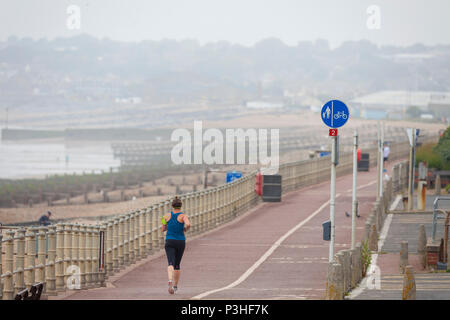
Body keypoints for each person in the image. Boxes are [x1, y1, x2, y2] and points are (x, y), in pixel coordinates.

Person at [161, 196, 191, 294]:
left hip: (169, 240)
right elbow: (188, 224)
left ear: (172, 206)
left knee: (170, 262)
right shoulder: (183, 216)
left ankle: (170, 280)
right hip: (180, 241)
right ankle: (175, 286)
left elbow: (163, 228)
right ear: (181, 206)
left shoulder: (165, 216)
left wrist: (168, 227)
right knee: (177, 265)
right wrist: (185, 229)